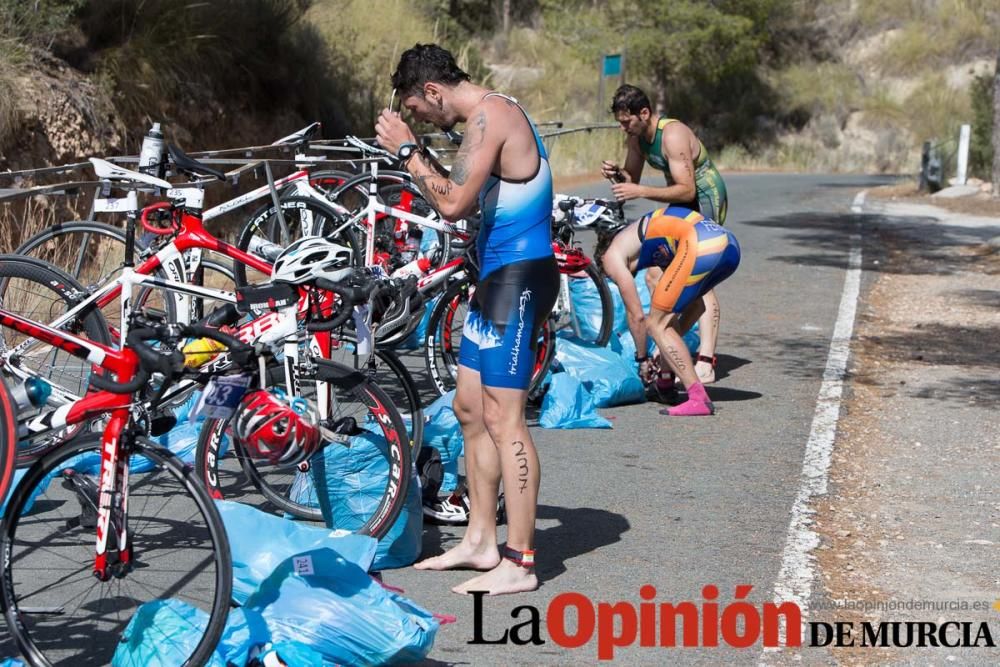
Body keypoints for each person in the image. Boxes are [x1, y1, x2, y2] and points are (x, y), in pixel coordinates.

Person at [375, 43, 557, 595]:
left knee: (506, 419)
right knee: (470, 408)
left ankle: (521, 561)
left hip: (519, 281)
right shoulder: (484, 120)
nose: (419, 120)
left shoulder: (492, 115)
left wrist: (408, 151)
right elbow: (472, 201)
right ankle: (481, 539)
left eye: (416, 109)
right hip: (495, 280)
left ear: (432, 91)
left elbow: (452, 203)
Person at [601, 84, 729, 385]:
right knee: (658, 274)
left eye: (627, 121)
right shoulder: (636, 137)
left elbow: (688, 188)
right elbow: (632, 177)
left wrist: (639, 191)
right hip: (682, 200)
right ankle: (668, 344)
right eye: (620, 121)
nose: (623, 127)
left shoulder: (672, 135)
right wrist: (618, 175)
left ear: (644, 113)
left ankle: (707, 359)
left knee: (699, 277)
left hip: (705, 196)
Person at [601, 205, 740, 416]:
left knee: (655, 323)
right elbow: (696, 307)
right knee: (663, 318)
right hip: (729, 247)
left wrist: (642, 359)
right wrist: (663, 348)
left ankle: (697, 399)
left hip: (702, 245)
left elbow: (637, 316)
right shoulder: (656, 246)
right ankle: (665, 384)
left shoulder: (611, 256)